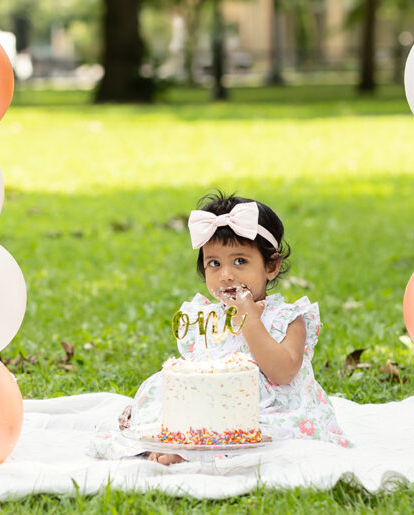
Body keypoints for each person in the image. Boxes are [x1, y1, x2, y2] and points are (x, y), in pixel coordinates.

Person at [120, 192, 350, 464]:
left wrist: (251, 320)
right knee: (161, 407)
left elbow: (284, 372)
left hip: (264, 407)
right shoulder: (204, 315)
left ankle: (193, 452)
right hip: (207, 402)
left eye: (240, 261)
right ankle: (174, 443)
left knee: (270, 434)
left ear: (272, 266)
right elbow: (197, 370)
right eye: (214, 263)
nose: (226, 274)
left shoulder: (287, 318)